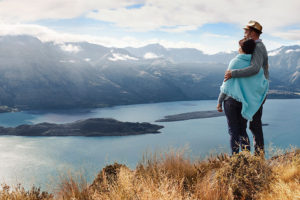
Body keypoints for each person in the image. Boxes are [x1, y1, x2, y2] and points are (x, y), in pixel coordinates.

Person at [222, 20, 269, 155]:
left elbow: (254, 68)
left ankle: (258, 157)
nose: (244, 33)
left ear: (253, 33)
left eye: (246, 31)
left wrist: (233, 73)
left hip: (257, 91)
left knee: (254, 125)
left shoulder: (258, 47)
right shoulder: (256, 46)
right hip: (255, 90)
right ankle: (254, 156)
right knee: (253, 125)